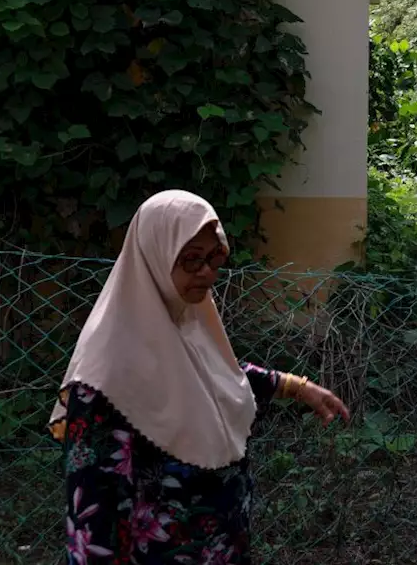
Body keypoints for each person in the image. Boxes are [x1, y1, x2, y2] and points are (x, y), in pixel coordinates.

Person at [48, 190, 350, 564]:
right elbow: (93, 525)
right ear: (156, 256)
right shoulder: (104, 378)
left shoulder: (185, 322)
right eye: (191, 259)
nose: (207, 272)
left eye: (214, 258)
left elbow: (216, 376)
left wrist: (295, 387)